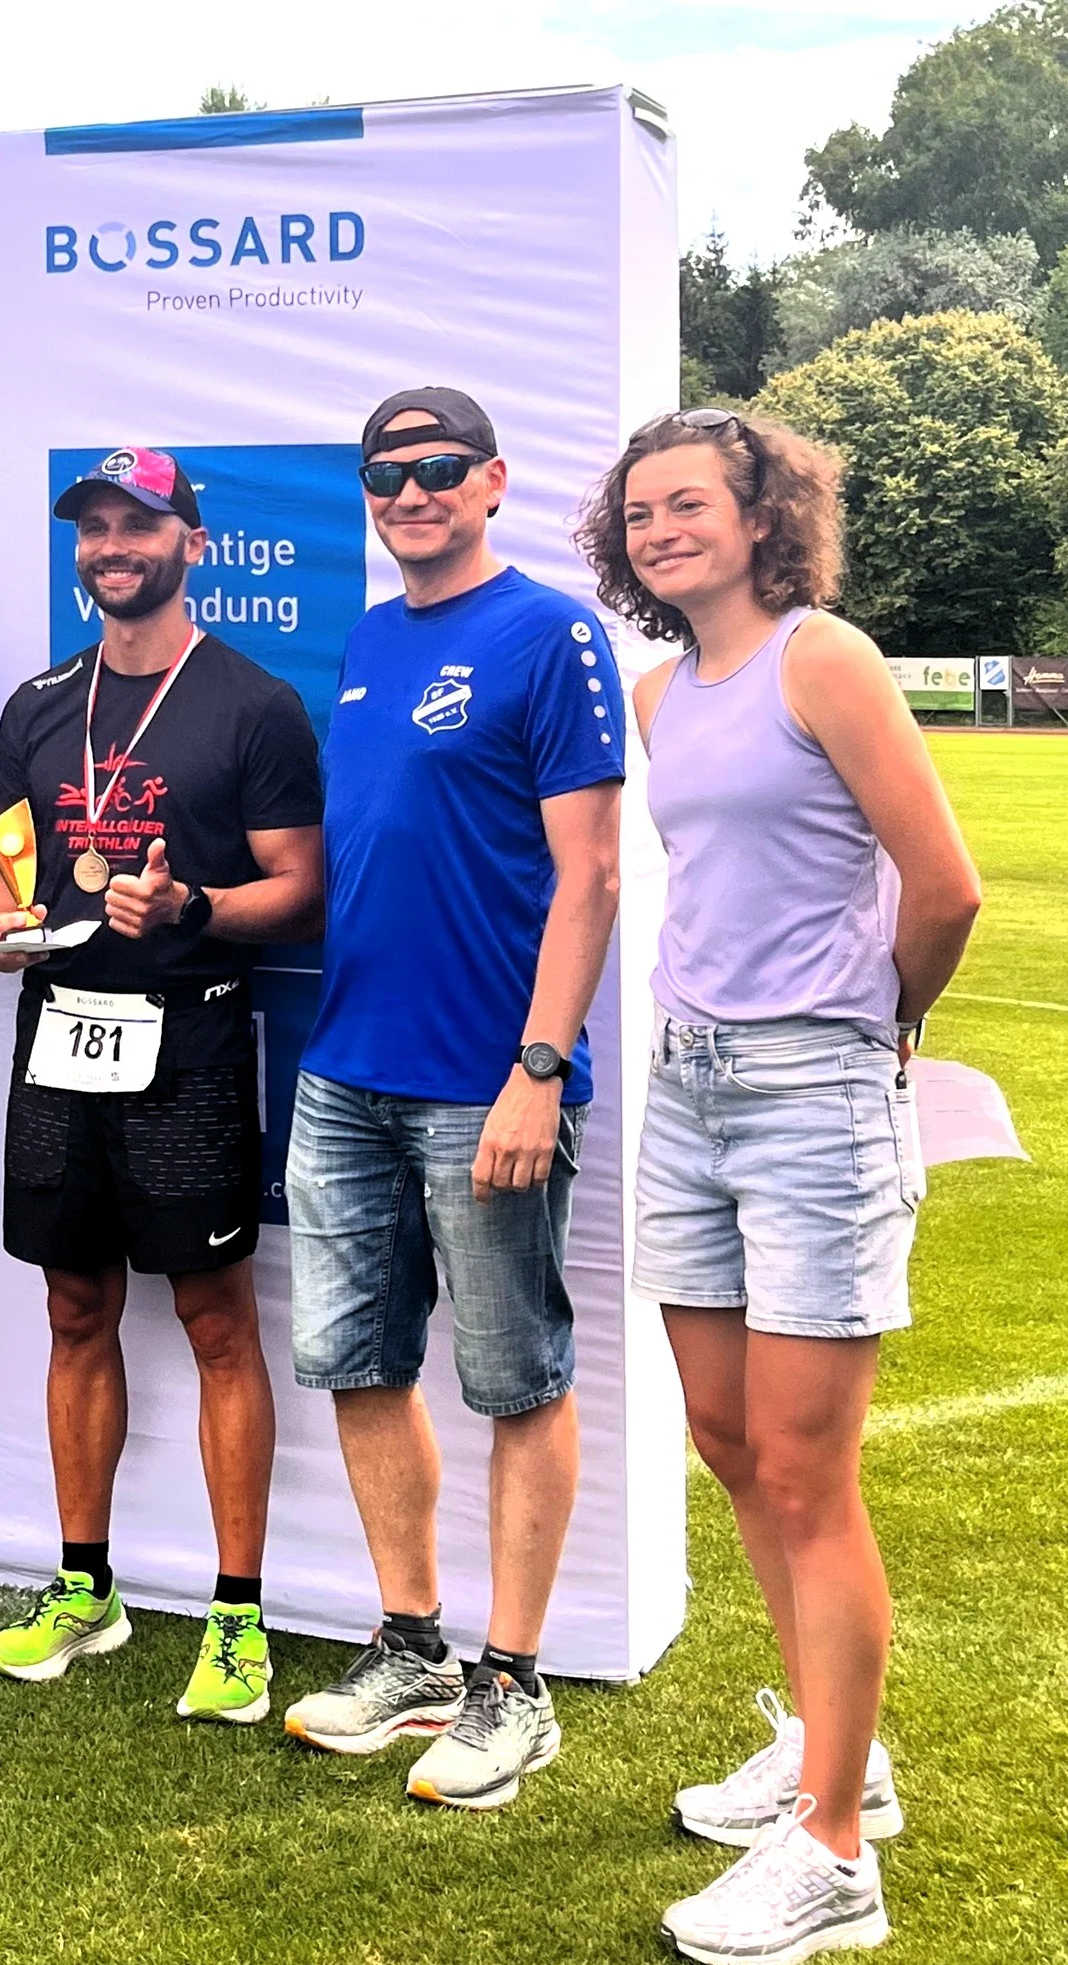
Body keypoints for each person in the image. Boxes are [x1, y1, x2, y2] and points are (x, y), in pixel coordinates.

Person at [575, 407, 979, 1965]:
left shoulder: (826, 659)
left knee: (808, 1473)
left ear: (760, 518)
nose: (659, 529)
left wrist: (879, 1022)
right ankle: (832, 1752)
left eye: (687, 503)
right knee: (731, 1440)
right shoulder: (660, 691)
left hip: (813, 1090)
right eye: (638, 513)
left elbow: (941, 887)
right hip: (686, 1088)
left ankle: (831, 1853)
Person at [279, 388, 623, 1813]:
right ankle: (413, 1644)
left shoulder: (552, 634)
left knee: (515, 1376)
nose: (409, 492)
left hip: (487, 1083)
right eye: (385, 473)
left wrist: (537, 1069)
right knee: (360, 1362)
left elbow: (591, 874)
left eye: (436, 468)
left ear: (490, 480)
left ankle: (513, 1682)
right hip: (343, 1070)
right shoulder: (370, 638)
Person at [0, 446, 324, 1724]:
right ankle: (86, 1588)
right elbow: (7, 859)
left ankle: (238, 1617)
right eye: (95, 526)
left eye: (140, 523)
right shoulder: (40, 702)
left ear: (193, 543)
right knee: (74, 1307)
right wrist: (2, 920)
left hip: (190, 1039)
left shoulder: (253, 703)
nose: (113, 545)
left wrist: (191, 905)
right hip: (59, 1033)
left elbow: (302, 888)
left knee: (216, 1320)